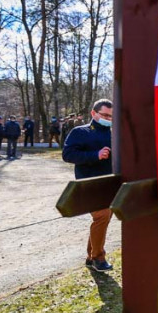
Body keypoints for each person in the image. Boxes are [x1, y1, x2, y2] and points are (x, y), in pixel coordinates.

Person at [62, 99, 115, 271]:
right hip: (89, 184)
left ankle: (91, 255)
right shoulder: (80, 132)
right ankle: (98, 258)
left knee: (104, 219)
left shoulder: (114, 133)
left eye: (111, 116)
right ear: (94, 113)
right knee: (102, 216)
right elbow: (68, 154)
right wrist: (95, 155)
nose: (108, 119)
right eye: (105, 115)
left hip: (110, 183)